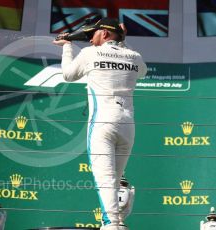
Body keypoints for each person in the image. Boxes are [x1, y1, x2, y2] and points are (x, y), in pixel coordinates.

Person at [53, 17, 147, 230]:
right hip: (127, 124)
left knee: (105, 180)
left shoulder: (89, 53)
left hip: (103, 121)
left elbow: (68, 75)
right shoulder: (134, 56)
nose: (90, 39)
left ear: (104, 34)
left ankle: (111, 224)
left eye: (93, 34)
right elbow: (142, 71)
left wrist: (67, 46)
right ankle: (117, 223)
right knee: (113, 182)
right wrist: (121, 44)